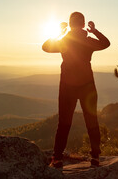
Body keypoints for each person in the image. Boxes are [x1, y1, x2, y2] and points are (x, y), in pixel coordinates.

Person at [42, 12, 110, 168]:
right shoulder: (88, 41)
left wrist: (59, 32)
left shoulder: (64, 41)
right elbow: (106, 43)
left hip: (67, 86)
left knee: (64, 123)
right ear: (83, 24)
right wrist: (94, 31)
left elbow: (45, 47)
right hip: (87, 86)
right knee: (91, 120)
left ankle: (57, 158)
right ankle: (95, 157)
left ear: (70, 24)